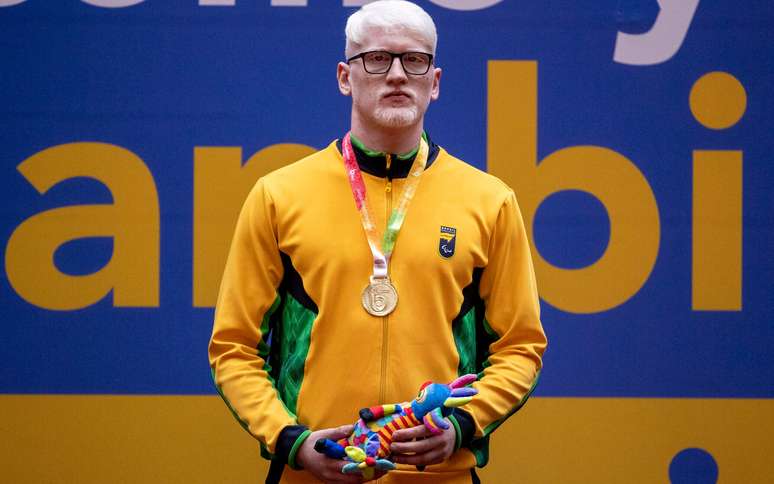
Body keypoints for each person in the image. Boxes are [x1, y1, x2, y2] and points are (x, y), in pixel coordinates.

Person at [208, 1, 547, 482]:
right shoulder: (278, 196)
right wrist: (292, 441)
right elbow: (233, 347)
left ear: (435, 82)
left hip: (440, 477)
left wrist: (461, 426)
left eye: (414, 60)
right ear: (346, 76)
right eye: (376, 59)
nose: (395, 75)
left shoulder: (489, 201)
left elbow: (521, 347)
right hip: (311, 475)